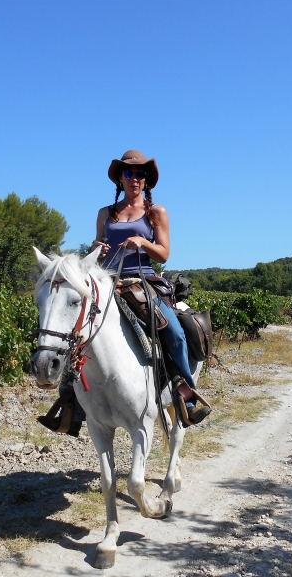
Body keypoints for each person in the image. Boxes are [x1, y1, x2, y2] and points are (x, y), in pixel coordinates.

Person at [37, 150, 210, 437]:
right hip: (108, 280)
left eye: (140, 174)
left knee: (176, 332)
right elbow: (96, 250)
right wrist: (98, 247)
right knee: (76, 333)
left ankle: (186, 394)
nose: (135, 179)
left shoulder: (156, 213)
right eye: (129, 173)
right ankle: (71, 404)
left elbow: (164, 254)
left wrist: (142, 242)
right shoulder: (106, 213)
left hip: (143, 280)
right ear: (120, 177)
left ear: (147, 180)